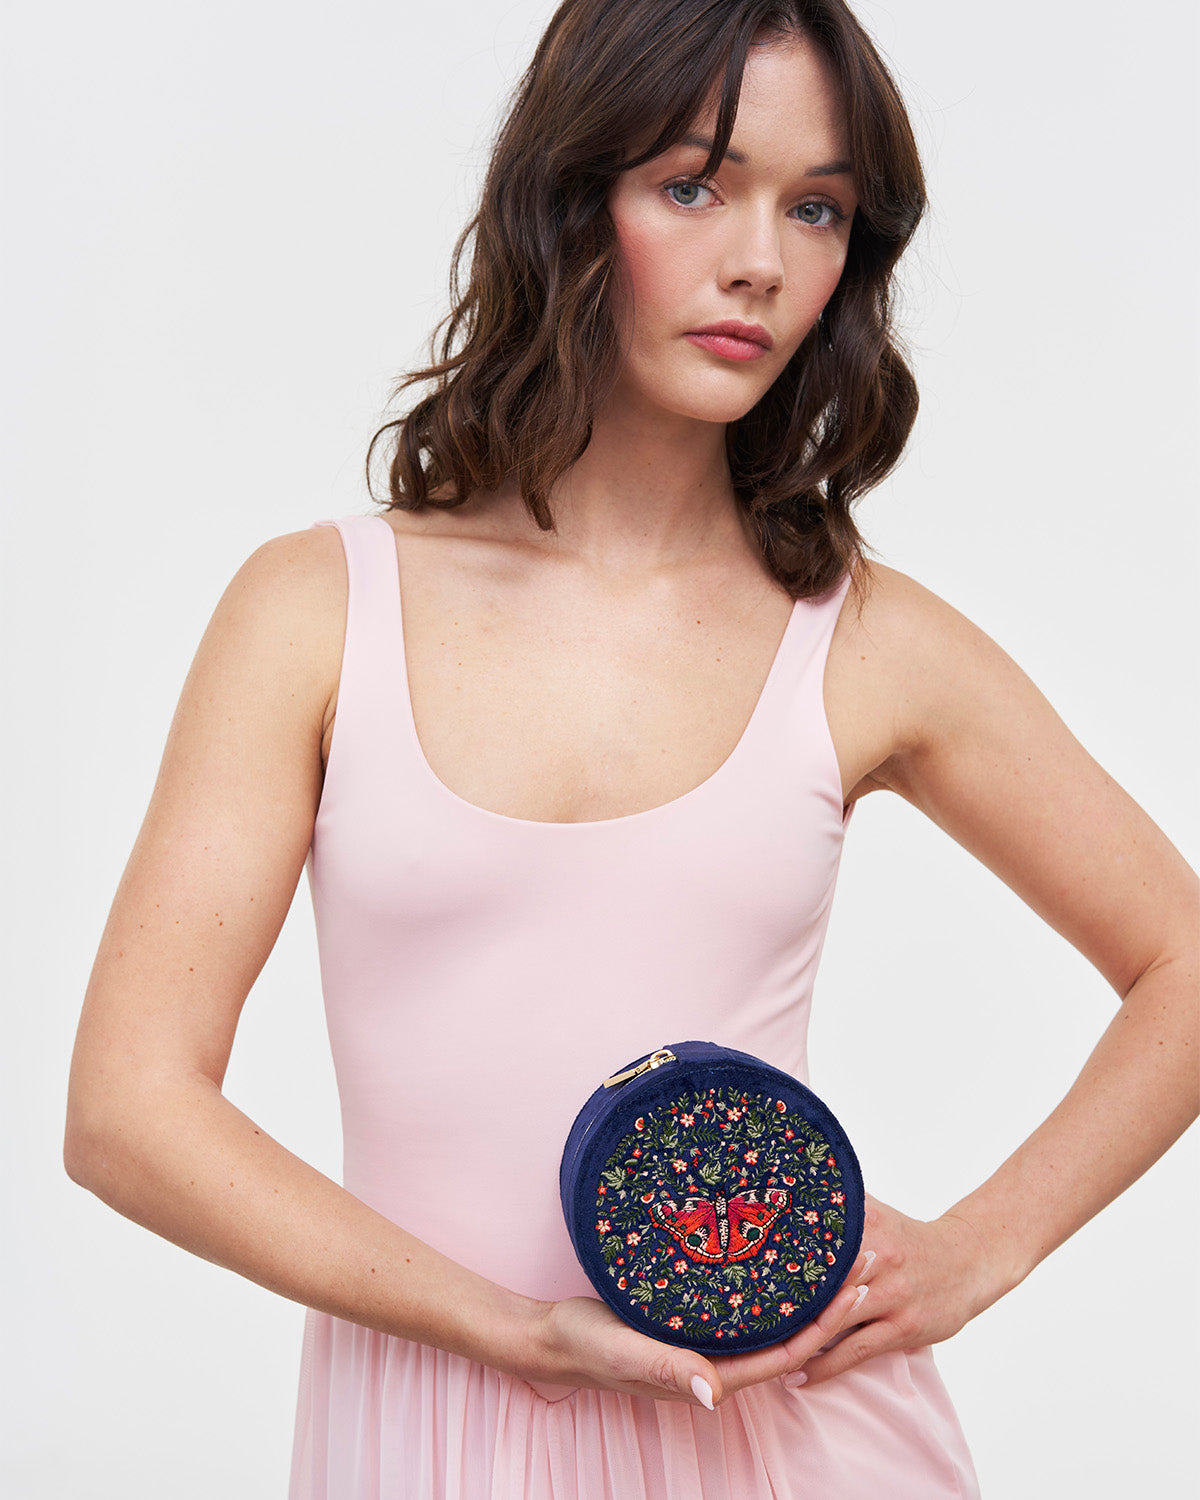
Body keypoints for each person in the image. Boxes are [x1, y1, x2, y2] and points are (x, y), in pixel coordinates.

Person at [63, 0, 1198, 1496]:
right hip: (438, 1430)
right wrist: (512, 1332)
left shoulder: (862, 639)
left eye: (816, 209)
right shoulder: (317, 611)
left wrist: (980, 1251)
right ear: (568, 198)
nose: (760, 260)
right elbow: (128, 1111)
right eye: (692, 185)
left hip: (792, 1441)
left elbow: (1183, 959)